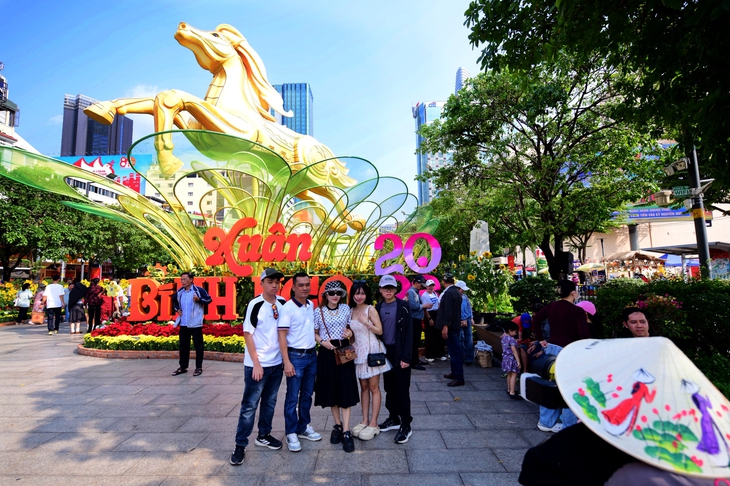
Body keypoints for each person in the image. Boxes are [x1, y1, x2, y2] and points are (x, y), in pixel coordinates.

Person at [230, 268, 286, 466]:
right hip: (258, 365)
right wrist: (256, 363)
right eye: (270, 281)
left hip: (276, 364)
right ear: (261, 283)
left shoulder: (282, 303)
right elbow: (248, 334)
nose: (274, 285)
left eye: (277, 282)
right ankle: (240, 445)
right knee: (249, 406)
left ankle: (264, 435)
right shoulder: (255, 304)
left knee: (270, 402)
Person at [532, 280, 590, 433]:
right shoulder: (577, 311)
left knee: (550, 385)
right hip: (570, 351)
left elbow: (536, 319)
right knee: (569, 389)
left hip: (552, 349)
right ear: (573, 292)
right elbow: (584, 334)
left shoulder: (552, 306)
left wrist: (541, 339)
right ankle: (568, 426)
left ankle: (546, 421)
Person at [277, 272, 322, 453]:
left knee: (307, 395)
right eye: (301, 285)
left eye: (307, 284)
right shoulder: (287, 308)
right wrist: (286, 362)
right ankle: (291, 432)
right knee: (292, 397)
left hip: (311, 356)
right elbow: (282, 336)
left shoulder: (310, 305)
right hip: (295, 357)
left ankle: (303, 427)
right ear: (293, 287)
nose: (304, 288)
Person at [313, 280, 359, 452]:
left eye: (338, 293)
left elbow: (352, 329)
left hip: (344, 350)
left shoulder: (346, 309)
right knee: (331, 390)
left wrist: (350, 332)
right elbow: (314, 332)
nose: (335, 296)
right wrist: (322, 342)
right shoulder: (318, 311)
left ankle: (346, 431)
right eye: (331, 293)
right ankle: (338, 425)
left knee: (345, 389)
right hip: (327, 352)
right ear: (325, 295)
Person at [349, 280, 391, 441]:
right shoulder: (351, 310)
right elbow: (352, 335)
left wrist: (366, 323)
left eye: (362, 293)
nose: (359, 296)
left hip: (372, 351)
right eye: (356, 293)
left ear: (366, 294)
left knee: (374, 388)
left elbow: (379, 330)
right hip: (358, 352)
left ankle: (374, 423)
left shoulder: (370, 309)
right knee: (364, 387)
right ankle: (364, 420)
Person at [375, 274, 414, 444]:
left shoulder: (403, 307)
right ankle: (393, 417)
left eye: (391, 288)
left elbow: (409, 333)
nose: (388, 290)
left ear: (396, 289)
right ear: (380, 290)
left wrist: (406, 357)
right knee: (389, 388)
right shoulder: (377, 307)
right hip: (385, 353)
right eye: (385, 288)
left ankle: (406, 424)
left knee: (402, 390)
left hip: (400, 353)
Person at [171, 272, 213, 377]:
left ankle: (198, 367)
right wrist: (177, 309)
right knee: (183, 346)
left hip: (195, 323)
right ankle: (183, 367)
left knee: (198, 346)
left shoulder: (198, 290)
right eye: (181, 279)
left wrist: (199, 299)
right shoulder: (180, 292)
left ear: (191, 279)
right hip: (183, 323)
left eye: (185, 279)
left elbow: (209, 299)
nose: (183, 281)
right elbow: (174, 302)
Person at [435, 273, 464, 387]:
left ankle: (459, 377)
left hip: (451, 327)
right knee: (453, 351)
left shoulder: (448, 293)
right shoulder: (456, 292)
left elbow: (448, 311)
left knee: (454, 352)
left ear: (443, 282)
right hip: (455, 325)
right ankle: (455, 373)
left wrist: (445, 326)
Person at [406, 275, 432, 370]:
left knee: (416, 341)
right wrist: (424, 306)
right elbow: (412, 306)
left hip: (417, 319)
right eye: (421, 285)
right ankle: (414, 362)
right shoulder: (411, 292)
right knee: (414, 341)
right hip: (413, 320)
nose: (422, 287)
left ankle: (416, 359)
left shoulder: (416, 292)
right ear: (416, 283)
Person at [421, 279, 445, 361]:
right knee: (430, 335)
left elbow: (438, 304)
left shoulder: (434, 294)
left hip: (437, 314)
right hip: (429, 314)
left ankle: (439, 354)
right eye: (429, 286)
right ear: (426, 287)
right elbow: (425, 308)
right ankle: (429, 355)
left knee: (438, 334)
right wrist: (429, 318)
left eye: (432, 286)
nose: (431, 287)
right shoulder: (424, 296)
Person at [456, 280, 475, 366]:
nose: (463, 291)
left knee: (469, 338)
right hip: (458, 319)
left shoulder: (465, 297)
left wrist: (471, 318)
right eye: (462, 289)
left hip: (467, 318)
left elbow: (469, 307)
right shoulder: (455, 297)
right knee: (459, 339)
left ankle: (469, 358)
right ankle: (461, 357)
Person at [501, 321, 521, 399]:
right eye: (515, 331)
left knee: (509, 374)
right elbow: (514, 350)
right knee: (514, 374)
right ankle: (512, 392)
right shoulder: (512, 339)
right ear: (510, 330)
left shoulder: (503, 338)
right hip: (512, 359)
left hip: (505, 358)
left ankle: (509, 389)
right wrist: (518, 361)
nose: (516, 333)